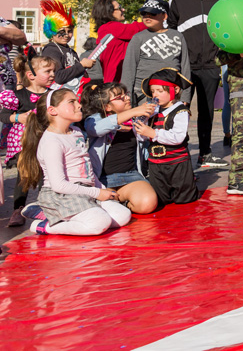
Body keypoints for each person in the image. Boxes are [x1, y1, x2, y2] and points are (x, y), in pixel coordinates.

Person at [17, 88, 132, 236]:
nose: (79, 105)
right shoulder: (52, 142)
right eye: (72, 102)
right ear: (52, 110)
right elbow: (59, 185)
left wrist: (101, 188)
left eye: (77, 101)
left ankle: (60, 216)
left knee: (123, 216)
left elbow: (85, 167)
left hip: (86, 190)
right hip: (63, 194)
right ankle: (45, 224)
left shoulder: (76, 131)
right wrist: (97, 193)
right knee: (99, 223)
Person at [167, 0, 225, 170]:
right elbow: (170, 30)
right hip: (185, 67)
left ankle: (205, 154)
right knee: (179, 110)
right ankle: (178, 154)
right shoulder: (177, 0)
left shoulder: (218, 2)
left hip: (210, 65)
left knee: (207, 112)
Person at [80, 82, 158, 214]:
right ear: (107, 107)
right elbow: (96, 129)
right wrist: (134, 111)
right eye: (120, 97)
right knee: (98, 210)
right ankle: (116, 203)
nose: (127, 98)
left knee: (147, 203)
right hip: (101, 180)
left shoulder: (134, 121)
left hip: (130, 176)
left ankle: (123, 203)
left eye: (126, 94)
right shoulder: (95, 120)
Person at [0, 55, 57, 226]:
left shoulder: (53, 95)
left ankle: (46, 208)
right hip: (23, 141)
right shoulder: (18, 95)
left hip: (47, 139)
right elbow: (4, 115)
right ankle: (18, 209)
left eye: (53, 71)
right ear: (31, 75)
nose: (52, 74)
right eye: (47, 71)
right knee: (24, 174)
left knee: (45, 173)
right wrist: (18, 117)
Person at [132, 69, 200, 205]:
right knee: (160, 199)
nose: (155, 95)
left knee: (184, 199)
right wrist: (142, 120)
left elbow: (178, 137)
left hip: (177, 163)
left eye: (160, 91)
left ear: (175, 90)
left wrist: (153, 133)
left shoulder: (180, 111)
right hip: (155, 164)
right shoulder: (153, 111)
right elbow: (140, 137)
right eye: (153, 91)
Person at [121, 0, 191, 107]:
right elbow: (128, 70)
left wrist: (185, 96)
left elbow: (185, 67)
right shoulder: (138, 38)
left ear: (164, 16)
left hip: (171, 94)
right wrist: (127, 97)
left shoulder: (177, 36)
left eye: (153, 14)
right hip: (144, 95)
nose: (147, 17)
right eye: (144, 13)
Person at [217, 50, 243, 196]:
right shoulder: (233, 40)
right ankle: (237, 180)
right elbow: (218, 59)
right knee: (242, 136)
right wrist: (240, 54)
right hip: (242, 90)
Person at [39, 1, 93, 93]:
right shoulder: (51, 50)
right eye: (62, 31)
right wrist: (82, 65)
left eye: (70, 31)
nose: (67, 35)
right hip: (60, 95)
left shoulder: (70, 50)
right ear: (52, 31)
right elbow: (58, 77)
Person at [94, 0, 147, 85]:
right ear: (109, 12)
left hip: (115, 81)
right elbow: (137, 28)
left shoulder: (105, 28)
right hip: (118, 82)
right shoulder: (110, 27)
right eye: (119, 8)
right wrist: (155, 19)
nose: (123, 10)